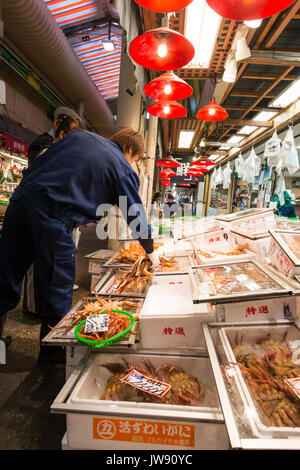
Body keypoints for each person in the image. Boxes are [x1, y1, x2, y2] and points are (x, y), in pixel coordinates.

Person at [0, 123, 160, 364]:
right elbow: (135, 214)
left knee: (5, 275)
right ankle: (52, 361)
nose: (134, 165)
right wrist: (151, 251)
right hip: (52, 219)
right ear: (129, 150)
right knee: (57, 288)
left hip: (21, 201)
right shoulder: (121, 166)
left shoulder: (79, 136)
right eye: (136, 159)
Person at [23, 107, 83, 317]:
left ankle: (42, 306)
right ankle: (31, 307)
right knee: (31, 263)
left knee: (47, 263)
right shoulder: (42, 143)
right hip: (34, 208)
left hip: (55, 213)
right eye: (68, 133)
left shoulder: (63, 146)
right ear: (58, 124)